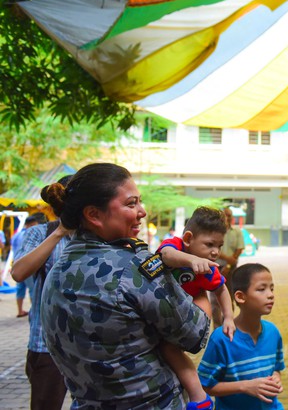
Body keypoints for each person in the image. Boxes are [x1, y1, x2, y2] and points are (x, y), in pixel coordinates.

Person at [39, 163, 211, 409]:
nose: (142, 211)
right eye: (131, 204)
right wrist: (204, 285)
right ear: (94, 215)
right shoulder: (135, 267)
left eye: (139, 202)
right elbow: (193, 334)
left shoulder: (58, 268)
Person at [157, 206, 236, 408]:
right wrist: (192, 260)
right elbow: (166, 255)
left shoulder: (208, 268)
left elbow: (221, 290)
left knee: (171, 350)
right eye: (209, 244)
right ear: (188, 238)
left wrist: (228, 317)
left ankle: (199, 397)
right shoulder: (175, 245)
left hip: (179, 318)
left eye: (219, 245)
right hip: (158, 309)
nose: (216, 252)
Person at [11, 176, 74, 410]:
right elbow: (18, 272)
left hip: (91, 346)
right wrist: (59, 232)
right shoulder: (40, 233)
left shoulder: (98, 236)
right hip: (47, 346)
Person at [198, 263, 285, 409]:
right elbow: (204, 385)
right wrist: (244, 386)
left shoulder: (273, 332)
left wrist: (276, 378)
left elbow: (276, 368)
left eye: (271, 288)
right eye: (261, 289)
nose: (270, 295)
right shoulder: (222, 338)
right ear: (240, 297)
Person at [211, 206, 245, 326]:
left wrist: (229, 265)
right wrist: (227, 259)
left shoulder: (237, 232)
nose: (228, 218)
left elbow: (239, 248)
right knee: (214, 301)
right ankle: (217, 328)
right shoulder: (214, 232)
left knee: (230, 298)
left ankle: (228, 325)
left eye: (230, 215)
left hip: (231, 270)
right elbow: (212, 249)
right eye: (225, 215)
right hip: (215, 268)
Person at [12, 214, 44, 318]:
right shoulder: (31, 234)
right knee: (33, 289)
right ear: (31, 224)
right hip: (27, 264)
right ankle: (34, 312)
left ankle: (19, 310)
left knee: (20, 288)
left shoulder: (16, 235)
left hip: (16, 263)